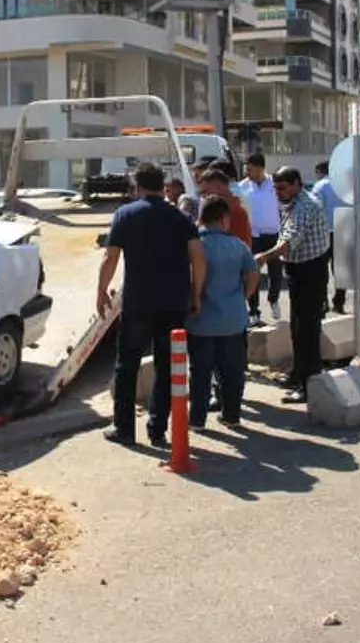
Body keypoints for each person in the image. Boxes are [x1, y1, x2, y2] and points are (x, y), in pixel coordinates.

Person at [97, 163, 206, 448]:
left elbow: (110, 258)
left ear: (138, 185)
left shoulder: (125, 214)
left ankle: (124, 429)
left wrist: (100, 292)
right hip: (173, 302)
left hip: (138, 301)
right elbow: (198, 257)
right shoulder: (180, 217)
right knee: (167, 366)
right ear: (162, 186)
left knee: (127, 365)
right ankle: (157, 429)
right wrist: (195, 295)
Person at [253, 167, 330, 403]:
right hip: (299, 271)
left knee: (307, 329)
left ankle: (309, 384)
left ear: (296, 183)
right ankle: (298, 373)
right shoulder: (293, 202)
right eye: (275, 188)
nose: (278, 193)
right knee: (297, 326)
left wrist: (264, 257)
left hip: (311, 271)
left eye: (282, 188)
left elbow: (289, 240)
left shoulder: (305, 205)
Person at [186, 196, 260, 431]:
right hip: (233, 320)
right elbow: (253, 275)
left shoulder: (194, 245)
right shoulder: (239, 246)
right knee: (232, 372)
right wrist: (242, 298)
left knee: (200, 372)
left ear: (201, 218)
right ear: (224, 219)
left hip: (200, 321)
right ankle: (232, 415)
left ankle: (197, 420)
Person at [237, 154, 284, 324]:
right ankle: (254, 310)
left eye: (249, 169)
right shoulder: (242, 187)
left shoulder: (274, 184)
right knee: (253, 272)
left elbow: (283, 207)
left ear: (260, 168)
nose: (247, 172)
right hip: (253, 235)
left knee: (276, 271)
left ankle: (274, 300)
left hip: (273, 233)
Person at [310, 161, 346, 314]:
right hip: (343, 231)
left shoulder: (320, 186)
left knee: (321, 269)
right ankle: (339, 302)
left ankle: (322, 301)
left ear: (320, 171)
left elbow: (314, 209)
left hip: (324, 233)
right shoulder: (344, 185)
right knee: (341, 271)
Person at [197, 169, 252, 245]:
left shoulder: (234, 212)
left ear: (219, 187)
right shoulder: (237, 208)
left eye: (205, 192)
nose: (204, 196)